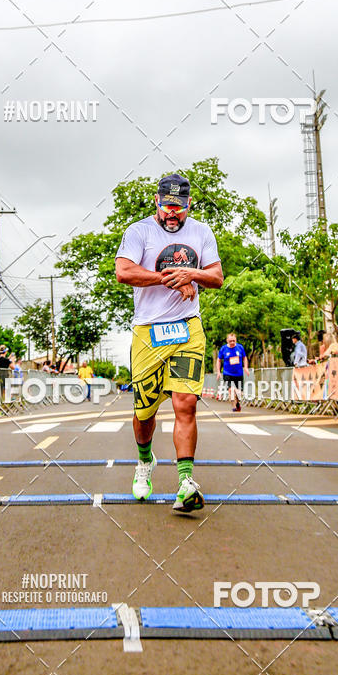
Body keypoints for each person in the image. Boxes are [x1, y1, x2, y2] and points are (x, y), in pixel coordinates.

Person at [115, 173, 223, 513]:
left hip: (187, 329)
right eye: (166, 207)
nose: (171, 214)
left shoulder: (202, 232)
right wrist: (170, 278)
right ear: (156, 204)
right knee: (144, 410)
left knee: (185, 402)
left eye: (178, 208)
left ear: (189, 205)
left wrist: (191, 274)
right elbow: (124, 272)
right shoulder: (139, 231)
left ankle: (186, 482)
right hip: (148, 332)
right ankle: (145, 461)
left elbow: (216, 277)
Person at [216, 333, 249, 411]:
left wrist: (246, 367)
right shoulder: (223, 349)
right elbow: (219, 360)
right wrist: (218, 372)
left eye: (233, 341)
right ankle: (234, 407)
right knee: (231, 390)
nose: (232, 343)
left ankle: (237, 404)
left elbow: (244, 358)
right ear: (227, 340)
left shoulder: (240, 347)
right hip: (227, 373)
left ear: (236, 340)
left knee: (239, 393)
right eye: (230, 341)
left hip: (239, 373)